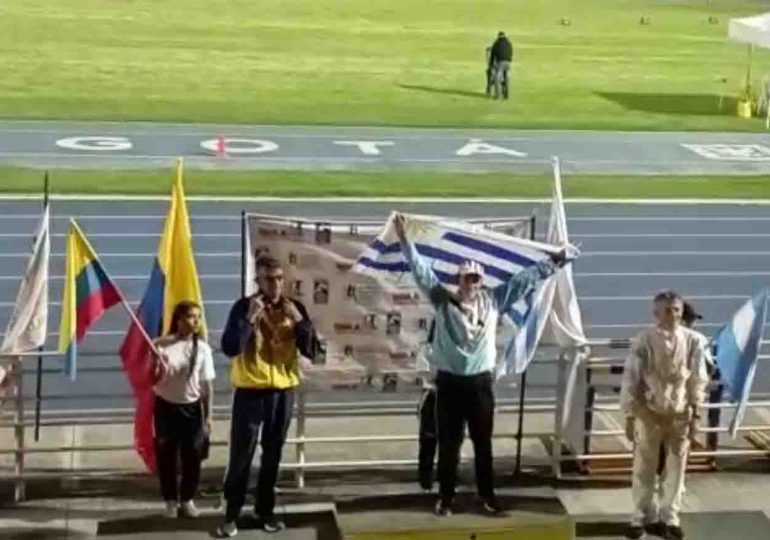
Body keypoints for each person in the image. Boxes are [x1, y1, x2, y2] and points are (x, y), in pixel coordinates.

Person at [393, 213, 571, 517]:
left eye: (476, 279)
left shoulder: (493, 300)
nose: (472, 284)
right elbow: (421, 271)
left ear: (482, 282)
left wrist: (555, 262)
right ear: (458, 280)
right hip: (449, 383)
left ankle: (487, 496)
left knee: (482, 445)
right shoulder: (442, 300)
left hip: (480, 383)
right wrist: (404, 239)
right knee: (449, 445)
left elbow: (524, 280)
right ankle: (446, 497)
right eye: (467, 279)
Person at [216, 256, 318, 537]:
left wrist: (299, 322)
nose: (275, 284)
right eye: (269, 279)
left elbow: (312, 350)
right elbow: (230, 347)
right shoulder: (243, 307)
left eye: (279, 278)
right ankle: (231, 513)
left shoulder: (294, 308)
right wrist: (250, 317)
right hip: (249, 392)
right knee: (242, 455)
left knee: (272, 454)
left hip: (282, 392)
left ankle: (265, 510)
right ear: (258, 281)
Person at [620, 291, 709, 540]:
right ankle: (640, 516)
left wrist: (697, 415)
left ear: (682, 313)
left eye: (677, 310)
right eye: (667, 310)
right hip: (649, 413)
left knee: (676, 468)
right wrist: (630, 415)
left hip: (680, 415)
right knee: (643, 467)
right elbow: (631, 380)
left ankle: (670, 516)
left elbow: (698, 380)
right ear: (656, 313)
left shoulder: (694, 342)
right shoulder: (643, 342)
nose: (673, 315)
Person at [151, 301, 215, 519]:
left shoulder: (203, 348)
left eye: (198, 317)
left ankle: (187, 499)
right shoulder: (162, 346)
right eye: (190, 316)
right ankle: (170, 500)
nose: (195, 321)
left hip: (192, 409)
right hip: (165, 407)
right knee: (166, 457)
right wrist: (159, 350)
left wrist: (209, 416)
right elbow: (150, 376)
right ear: (178, 320)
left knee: (192, 457)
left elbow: (207, 386)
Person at [488, 31, 513, 99]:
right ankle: (506, 94)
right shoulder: (509, 43)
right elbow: (511, 52)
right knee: (506, 77)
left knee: (496, 77)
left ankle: (497, 95)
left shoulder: (496, 43)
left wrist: (490, 65)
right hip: (508, 62)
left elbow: (492, 55)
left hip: (500, 62)